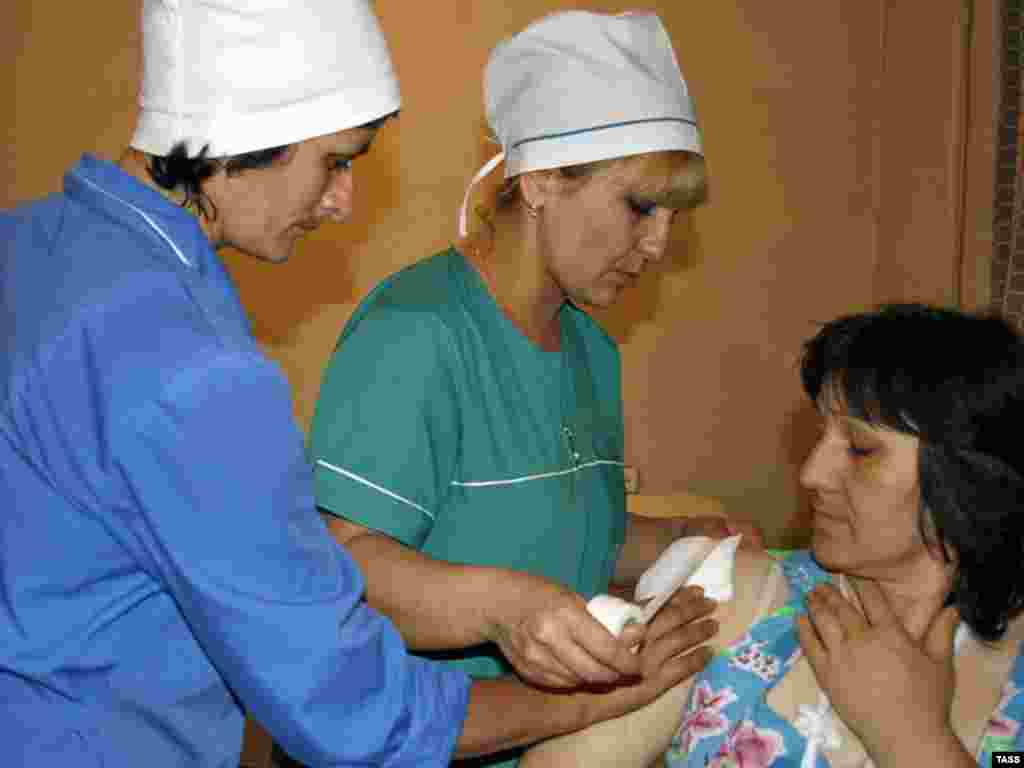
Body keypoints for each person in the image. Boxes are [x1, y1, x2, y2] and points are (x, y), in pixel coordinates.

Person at [0, 2, 720, 767]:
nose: (343, 202)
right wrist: (593, 691)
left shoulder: (31, 248)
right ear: (247, 131)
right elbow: (351, 711)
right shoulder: (194, 370)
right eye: (335, 160)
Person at [307, 11, 761, 767]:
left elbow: (564, 538)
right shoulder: (415, 335)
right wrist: (505, 610)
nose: (657, 248)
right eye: (639, 207)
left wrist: (686, 545)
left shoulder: (589, 349)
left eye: (672, 218)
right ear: (544, 179)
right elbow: (344, 569)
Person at [519, 303, 1024, 768]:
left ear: (968, 477)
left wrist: (911, 738)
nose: (810, 474)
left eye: (860, 449)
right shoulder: (734, 598)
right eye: (821, 435)